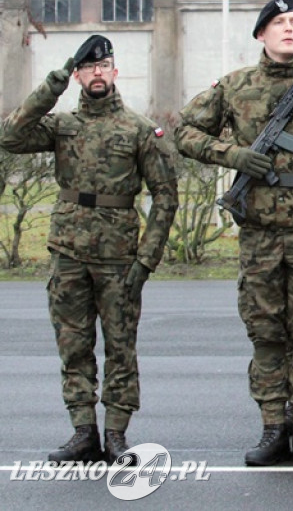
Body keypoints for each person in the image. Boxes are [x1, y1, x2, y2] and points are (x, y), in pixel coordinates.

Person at [175, 0, 293, 467]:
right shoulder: (236, 86)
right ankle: (271, 427)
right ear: (260, 34)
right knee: (265, 333)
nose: (288, 29)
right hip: (260, 233)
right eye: (278, 23)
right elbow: (185, 133)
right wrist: (233, 155)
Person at [0, 35, 178, 464]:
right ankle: (83, 431)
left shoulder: (138, 129)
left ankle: (116, 434)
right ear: (79, 75)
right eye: (89, 68)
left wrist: (145, 261)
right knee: (73, 345)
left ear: (115, 73)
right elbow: (10, 135)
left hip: (119, 259)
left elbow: (166, 196)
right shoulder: (62, 126)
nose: (97, 73)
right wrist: (53, 82)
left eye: (105, 67)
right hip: (69, 254)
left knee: (120, 347)